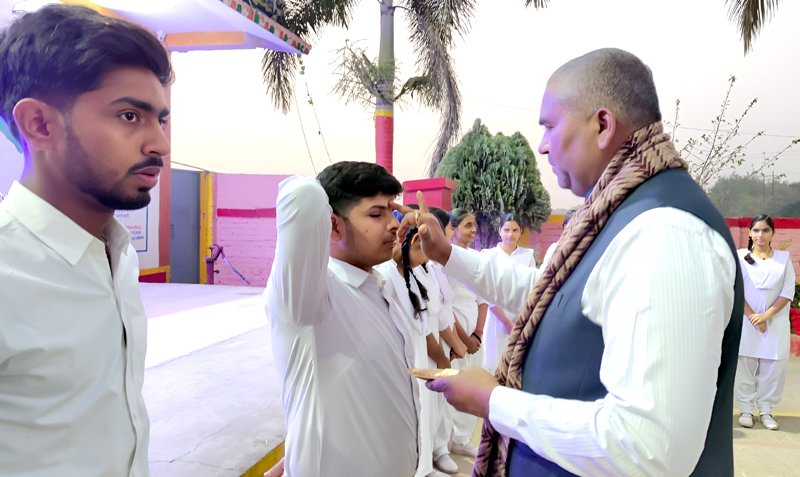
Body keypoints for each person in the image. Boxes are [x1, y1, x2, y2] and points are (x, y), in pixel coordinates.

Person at [410, 48, 743, 476]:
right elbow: (550, 296)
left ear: (602, 125)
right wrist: (446, 254)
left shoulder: (663, 231)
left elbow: (648, 446)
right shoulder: (613, 215)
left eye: (549, 126)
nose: (543, 146)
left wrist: (495, 402)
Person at [0, 5, 172, 476]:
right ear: (39, 124)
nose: (159, 143)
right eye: (130, 116)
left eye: (160, 120)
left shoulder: (116, 256)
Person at [265, 161, 419, 476]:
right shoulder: (311, 297)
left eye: (392, 212)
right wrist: (328, 190)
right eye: (376, 214)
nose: (393, 224)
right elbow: (302, 196)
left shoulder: (378, 285)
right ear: (333, 226)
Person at [735, 215, 796, 431]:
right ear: (750, 233)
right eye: (756, 230)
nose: (760, 235)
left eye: (765, 230)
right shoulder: (740, 257)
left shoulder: (783, 259)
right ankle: (745, 409)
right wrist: (754, 316)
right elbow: (736, 288)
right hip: (746, 321)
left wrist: (766, 316)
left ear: (772, 233)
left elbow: (787, 291)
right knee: (744, 364)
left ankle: (766, 410)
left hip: (774, 323)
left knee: (773, 367)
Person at [444, 208, 488, 459]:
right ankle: (445, 442)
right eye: (467, 225)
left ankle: (462, 439)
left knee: (473, 387)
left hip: (474, 339)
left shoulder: (477, 258)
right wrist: (463, 339)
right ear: (454, 228)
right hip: (454, 337)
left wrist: (478, 334)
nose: (473, 230)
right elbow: (445, 304)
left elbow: (483, 300)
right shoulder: (446, 258)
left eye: (474, 225)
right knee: (453, 384)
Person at [480, 214, 536, 372]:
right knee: (494, 365)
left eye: (515, 230)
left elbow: (532, 288)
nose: (510, 234)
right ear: (499, 231)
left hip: (521, 318)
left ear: (520, 231)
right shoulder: (488, 255)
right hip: (495, 318)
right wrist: (505, 321)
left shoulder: (527, 256)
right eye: (506, 230)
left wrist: (522, 319)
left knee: (516, 365)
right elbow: (485, 291)